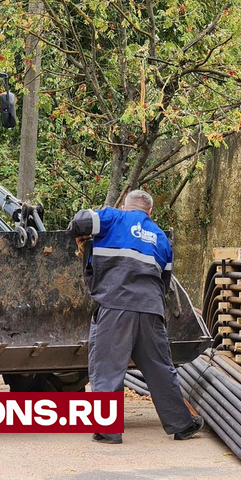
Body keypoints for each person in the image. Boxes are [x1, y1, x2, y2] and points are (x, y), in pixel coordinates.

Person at [69, 189, 205, 444]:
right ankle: (182, 424)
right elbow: (165, 282)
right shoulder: (161, 238)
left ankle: (108, 429)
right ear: (149, 212)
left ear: (124, 205)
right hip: (151, 309)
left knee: (108, 367)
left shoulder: (113, 217)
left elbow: (80, 223)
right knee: (160, 369)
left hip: (116, 305)